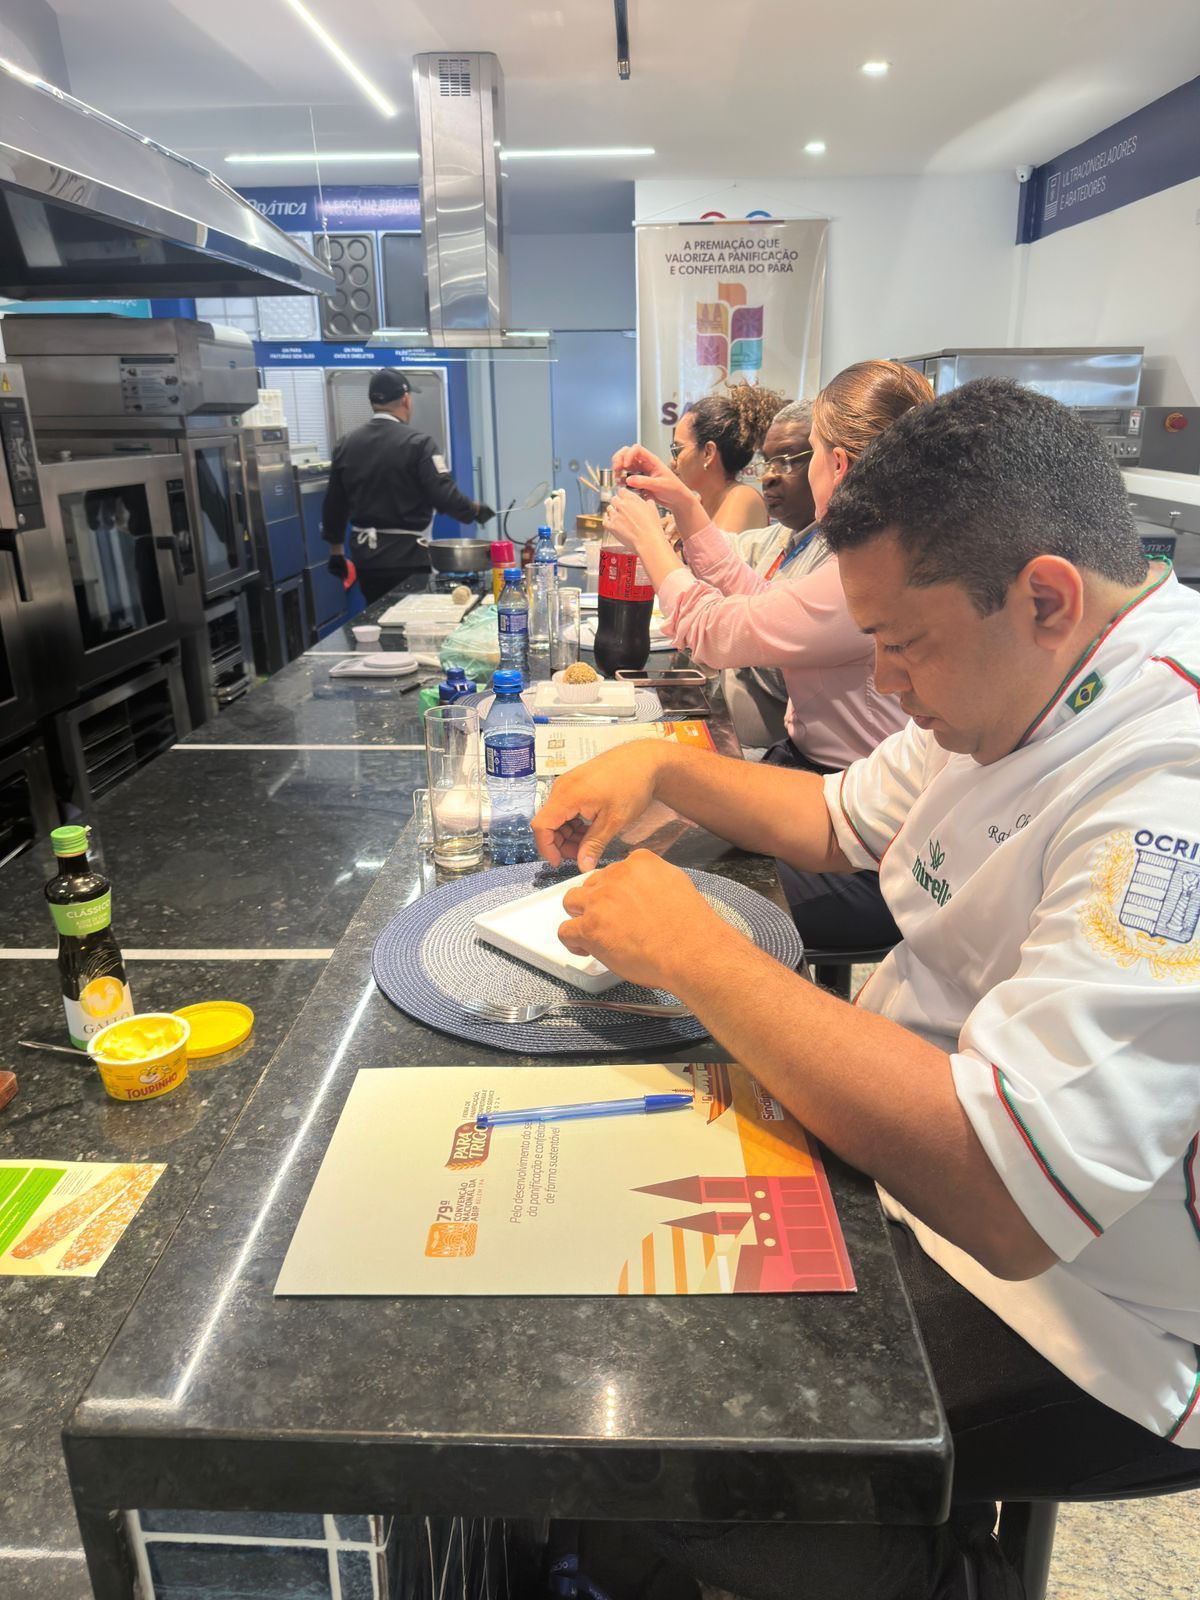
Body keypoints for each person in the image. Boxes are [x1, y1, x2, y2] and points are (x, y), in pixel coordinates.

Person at [533, 379, 1200, 1599]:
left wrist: (700, 952)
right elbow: (838, 815)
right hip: (933, 1160)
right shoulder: (1021, 684)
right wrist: (662, 770)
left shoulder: (1171, 788)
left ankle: (937, 1572)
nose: (883, 681)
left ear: (1046, 597)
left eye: (903, 643)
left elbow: (1010, 1192)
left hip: (1101, 1313)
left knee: (679, 1431)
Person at [607, 361, 934, 950]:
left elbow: (718, 631)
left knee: (684, 884)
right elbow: (763, 600)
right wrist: (683, 506)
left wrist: (652, 543)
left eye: (804, 454)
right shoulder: (874, 549)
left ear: (839, 465)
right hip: (818, 776)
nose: (781, 476)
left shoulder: (869, 570)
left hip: (861, 823)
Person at [321, 369, 494, 605]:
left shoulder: (346, 444)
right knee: (410, 620)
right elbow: (443, 494)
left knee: (377, 616)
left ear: (372, 401)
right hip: (409, 558)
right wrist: (473, 511)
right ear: (405, 399)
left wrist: (336, 552)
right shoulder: (419, 444)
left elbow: (334, 504)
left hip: (367, 560)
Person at [703, 399, 819, 752]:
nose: (769, 475)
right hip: (742, 740)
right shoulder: (783, 535)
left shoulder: (835, 556)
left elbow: (782, 677)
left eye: (787, 460)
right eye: (767, 461)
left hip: (776, 753)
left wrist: (732, 625)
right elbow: (724, 551)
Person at [667, 386, 783, 534]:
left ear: (708, 453)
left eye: (677, 450)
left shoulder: (741, 497)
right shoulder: (701, 502)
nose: (673, 461)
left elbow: (712, 557)